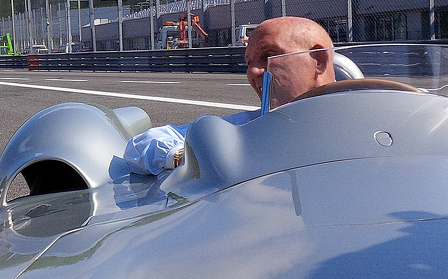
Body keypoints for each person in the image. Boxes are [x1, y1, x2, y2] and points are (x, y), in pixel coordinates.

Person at [125, 16, 335, 175]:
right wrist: (188, 157)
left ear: (318, 60)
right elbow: (141, 145)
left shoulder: (365, 118)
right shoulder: (246, 129)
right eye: (249, 63)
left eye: (269, 56)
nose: (252, 72)